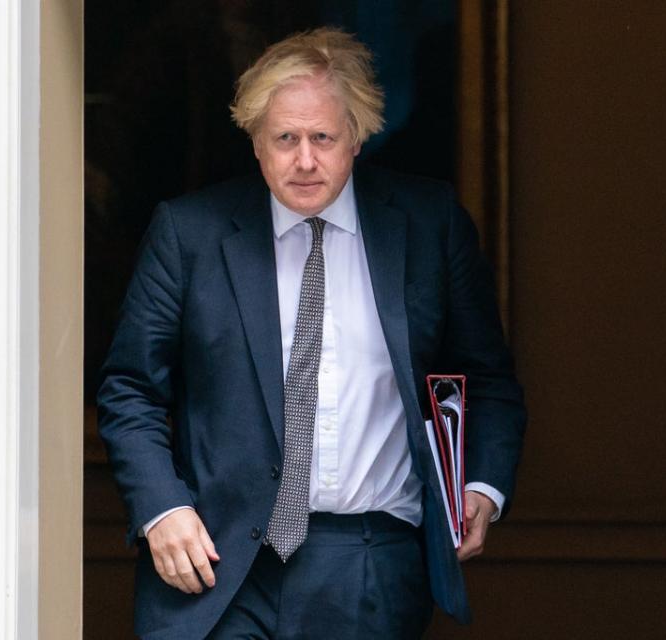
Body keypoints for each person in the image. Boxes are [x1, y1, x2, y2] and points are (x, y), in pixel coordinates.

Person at [97, 27, 526, 640]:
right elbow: (130, 388)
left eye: (322, 138)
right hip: (217, 563)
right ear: (255, 143)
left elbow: (487, 376)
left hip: (369, 560)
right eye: (285, 139)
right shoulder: (189, 235)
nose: (304, 160)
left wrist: (481, 482)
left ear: (356, 135)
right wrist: (162, 508)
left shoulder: (429, 226)